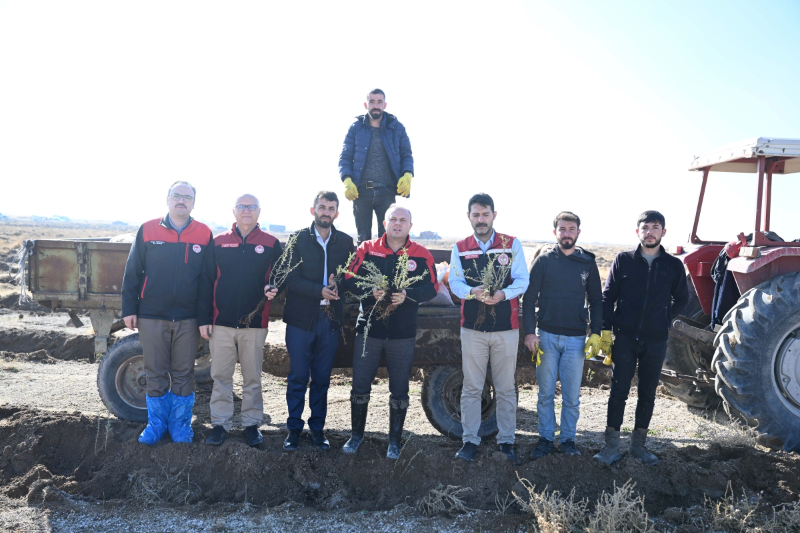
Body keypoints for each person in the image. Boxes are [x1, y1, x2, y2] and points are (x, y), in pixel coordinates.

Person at [121, 181, 214, 445]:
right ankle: (156, 426)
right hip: (152, 315)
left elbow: (207, 281)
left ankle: (180, 427)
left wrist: (205, 318)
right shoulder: (148, 229)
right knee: (155, 372)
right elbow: (133, 272)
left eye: (187, 197)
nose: (181, 200)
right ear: (167, 199)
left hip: (188, 318)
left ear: (193, 203)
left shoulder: (203, 233)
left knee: (184, 372)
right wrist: (130, 308)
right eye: (177, 196)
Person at [593, 210, 688, 466]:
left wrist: (663, 317)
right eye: (645, 227)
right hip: (624, 337)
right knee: (618, 391)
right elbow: (608, 296)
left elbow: (682, 298)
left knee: (647, 393)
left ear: (663, 232)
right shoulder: (623, 260)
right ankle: (611, 446)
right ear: (638, 232)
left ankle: (639, 447)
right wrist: (606, 328)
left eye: (655, 227)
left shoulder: (673, 265)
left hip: (656, 340)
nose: (650, 232)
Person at [342, 205, 437, 459]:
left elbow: (431, 288)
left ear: (410, 226)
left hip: (402, 334)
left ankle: (394, 441)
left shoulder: (421, 254)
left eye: (402, 220)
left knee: (400, 389)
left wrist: (408, 296)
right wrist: (367, 290)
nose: (397, 224)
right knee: (360, 385)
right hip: (369, 331)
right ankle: (356, 436)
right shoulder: (366, 249)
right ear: (384, 223)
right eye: (393, 219)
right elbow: (348, 278)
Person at [267, 191, 354, 451]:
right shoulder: (298, 239)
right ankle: (294, 429)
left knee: (322, 378)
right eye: (322, 207)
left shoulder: (346, 242)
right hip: (300, 320)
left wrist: (341, 283)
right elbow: (289, 279)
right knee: (297, 377)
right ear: (313, 210)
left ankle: (317, 429)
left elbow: (352, 276)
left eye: (331, 208)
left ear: (337, 213)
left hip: (329, 320)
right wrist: (319, 290)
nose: (326, 212)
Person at [448, 193, 529, 462]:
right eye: (475, 215)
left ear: (494, 214)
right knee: (472, 387)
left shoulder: (510, 243)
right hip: (472, 329)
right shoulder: (460, 247)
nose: (480, 220)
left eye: (485, 214)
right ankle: (470, 440)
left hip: (507, 328)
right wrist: (473, 291)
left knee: (506, 388)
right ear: (469, 216)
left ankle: (506, 441)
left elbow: (522, 280)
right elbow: (456, 284)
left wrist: (503, 294)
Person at [198, 194, 283, 448]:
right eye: (242, 207)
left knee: (252, 376)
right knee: (221, 376)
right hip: (221, 322)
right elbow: (205, 282)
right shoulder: (218, 242)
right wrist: (204, 318)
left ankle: (251, 424)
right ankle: (220, 424)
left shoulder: (271, 243)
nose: (247, 211)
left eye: (252, 207)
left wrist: (274, 287)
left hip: (255, 323)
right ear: (234, 212)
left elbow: (281, 278)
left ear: (259, 212)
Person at [523, 211, 602, 459]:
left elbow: (597, 300)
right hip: (546, 336)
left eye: (571, 229)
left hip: (576, 339)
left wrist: (596, 333)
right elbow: (528, 300)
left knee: (571, 396)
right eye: (562, 229)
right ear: (555, 232)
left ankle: (568, 440)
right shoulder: (544, 261)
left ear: (578, 232)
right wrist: (529, 333)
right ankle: (546, 438)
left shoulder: (587, 264)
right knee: (545, 394)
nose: (566, 233)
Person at [338, 88, 414, 245]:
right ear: (366, 104)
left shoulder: (396, 127)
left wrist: (408, 174)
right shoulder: (356, 128)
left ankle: (385, 270)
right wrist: (346, 180)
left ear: (385, 105)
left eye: (379, 102)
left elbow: (407, 154)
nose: (376, 105)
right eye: (372, 102)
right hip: (361, 191)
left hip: (386, 191)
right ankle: (363, 270)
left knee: (387, 238)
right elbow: (345, 157)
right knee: (363, 238)